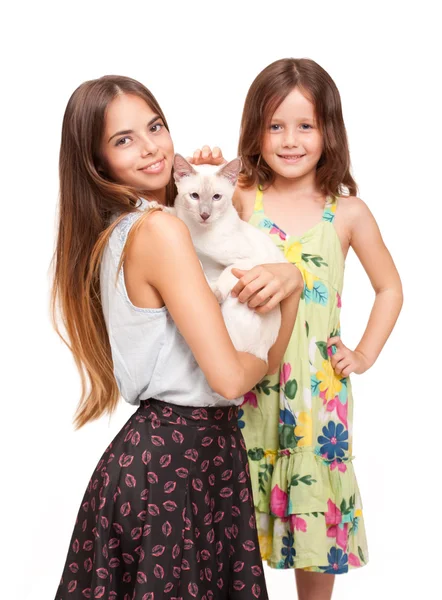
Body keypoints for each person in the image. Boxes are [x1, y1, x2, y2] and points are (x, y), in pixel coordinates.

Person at [52, 75, 303, 599]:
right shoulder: (161, 232)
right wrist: (292, 288)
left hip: (186, 461)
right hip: (174, 471)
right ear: (97, 163)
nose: (150, 148)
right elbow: (235, 377)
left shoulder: (128, 230)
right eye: (124, 140)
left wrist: (207, 180)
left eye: (155, 127)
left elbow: (226, 224)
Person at [190, 58, 403, 600]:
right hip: (247, 382)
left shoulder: (348, 212)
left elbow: (390, 288)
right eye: (275, 126)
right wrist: (204, 172)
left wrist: (364, 353)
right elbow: (186, 228)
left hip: (316, 393)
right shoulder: (239, 200)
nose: (290, 140)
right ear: (254, 134)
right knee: (230, 517)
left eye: (305, 125)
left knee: (315, 514)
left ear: (329, 131)